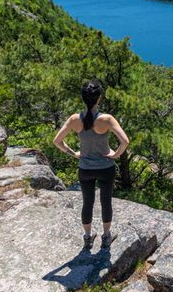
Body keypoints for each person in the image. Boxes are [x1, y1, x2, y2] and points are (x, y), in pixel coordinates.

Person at [53, 79, 129, 249]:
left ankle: (87, 238)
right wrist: (114, 155)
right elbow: (125, 141)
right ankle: (106, 236)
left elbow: (57, 141)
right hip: (106, 168)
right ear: (99, 98)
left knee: (87, 202)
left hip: (85, 168)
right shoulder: (107, 119)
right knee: (106, 202)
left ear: (83, 98)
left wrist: (74, 154)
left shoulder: (74, 119)